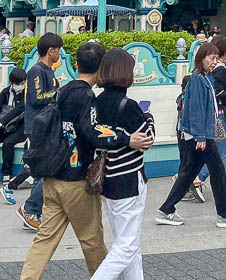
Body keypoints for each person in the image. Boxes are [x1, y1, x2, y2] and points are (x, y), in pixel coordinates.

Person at [20, 43, 151, 279]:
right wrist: (126, 139)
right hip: (75, 180)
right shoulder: (87, 97)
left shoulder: (64, 90)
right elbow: (92, 132)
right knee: (92, 241)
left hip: (51, 177)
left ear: (75, 63)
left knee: (44, 240)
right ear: (101, 68)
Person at [154, 42, 226, 228]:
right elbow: (195, 109)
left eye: (215, 58)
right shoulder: (198, 79)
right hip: (199, 136)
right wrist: (201, 137)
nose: (214, 62)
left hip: (196, 135)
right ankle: (225, 214)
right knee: (217, 170)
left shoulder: (203, 77)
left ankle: (166, 209)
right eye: (211, 58)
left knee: (188, 173)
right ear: (201, 59)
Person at [91, 49, 156, 280]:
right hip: (129, 179)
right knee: (127, 246)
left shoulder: (96, 103)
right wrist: (148, 117)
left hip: (107, 179)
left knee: (128, 241)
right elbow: (147, 139)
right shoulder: (128, 106)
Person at [8, 32, 63, 220]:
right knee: (42, 171)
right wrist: (58, 93)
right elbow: (37, 97)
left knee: (42, 170)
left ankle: (33, 210)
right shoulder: (36, 71)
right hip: (37, 127)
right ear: (50, 50)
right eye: (58, 50)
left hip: (46, 126)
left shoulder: (49, 71)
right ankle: (30, 209)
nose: (60, 54)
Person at [191, 35, 226, 206]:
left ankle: (199, 180)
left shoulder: (212, 70)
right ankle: (214, 186)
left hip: (217, 114)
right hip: (221, 114)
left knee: (219, 152)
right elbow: (219, 92)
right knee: (223, 153)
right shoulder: (219, 69)